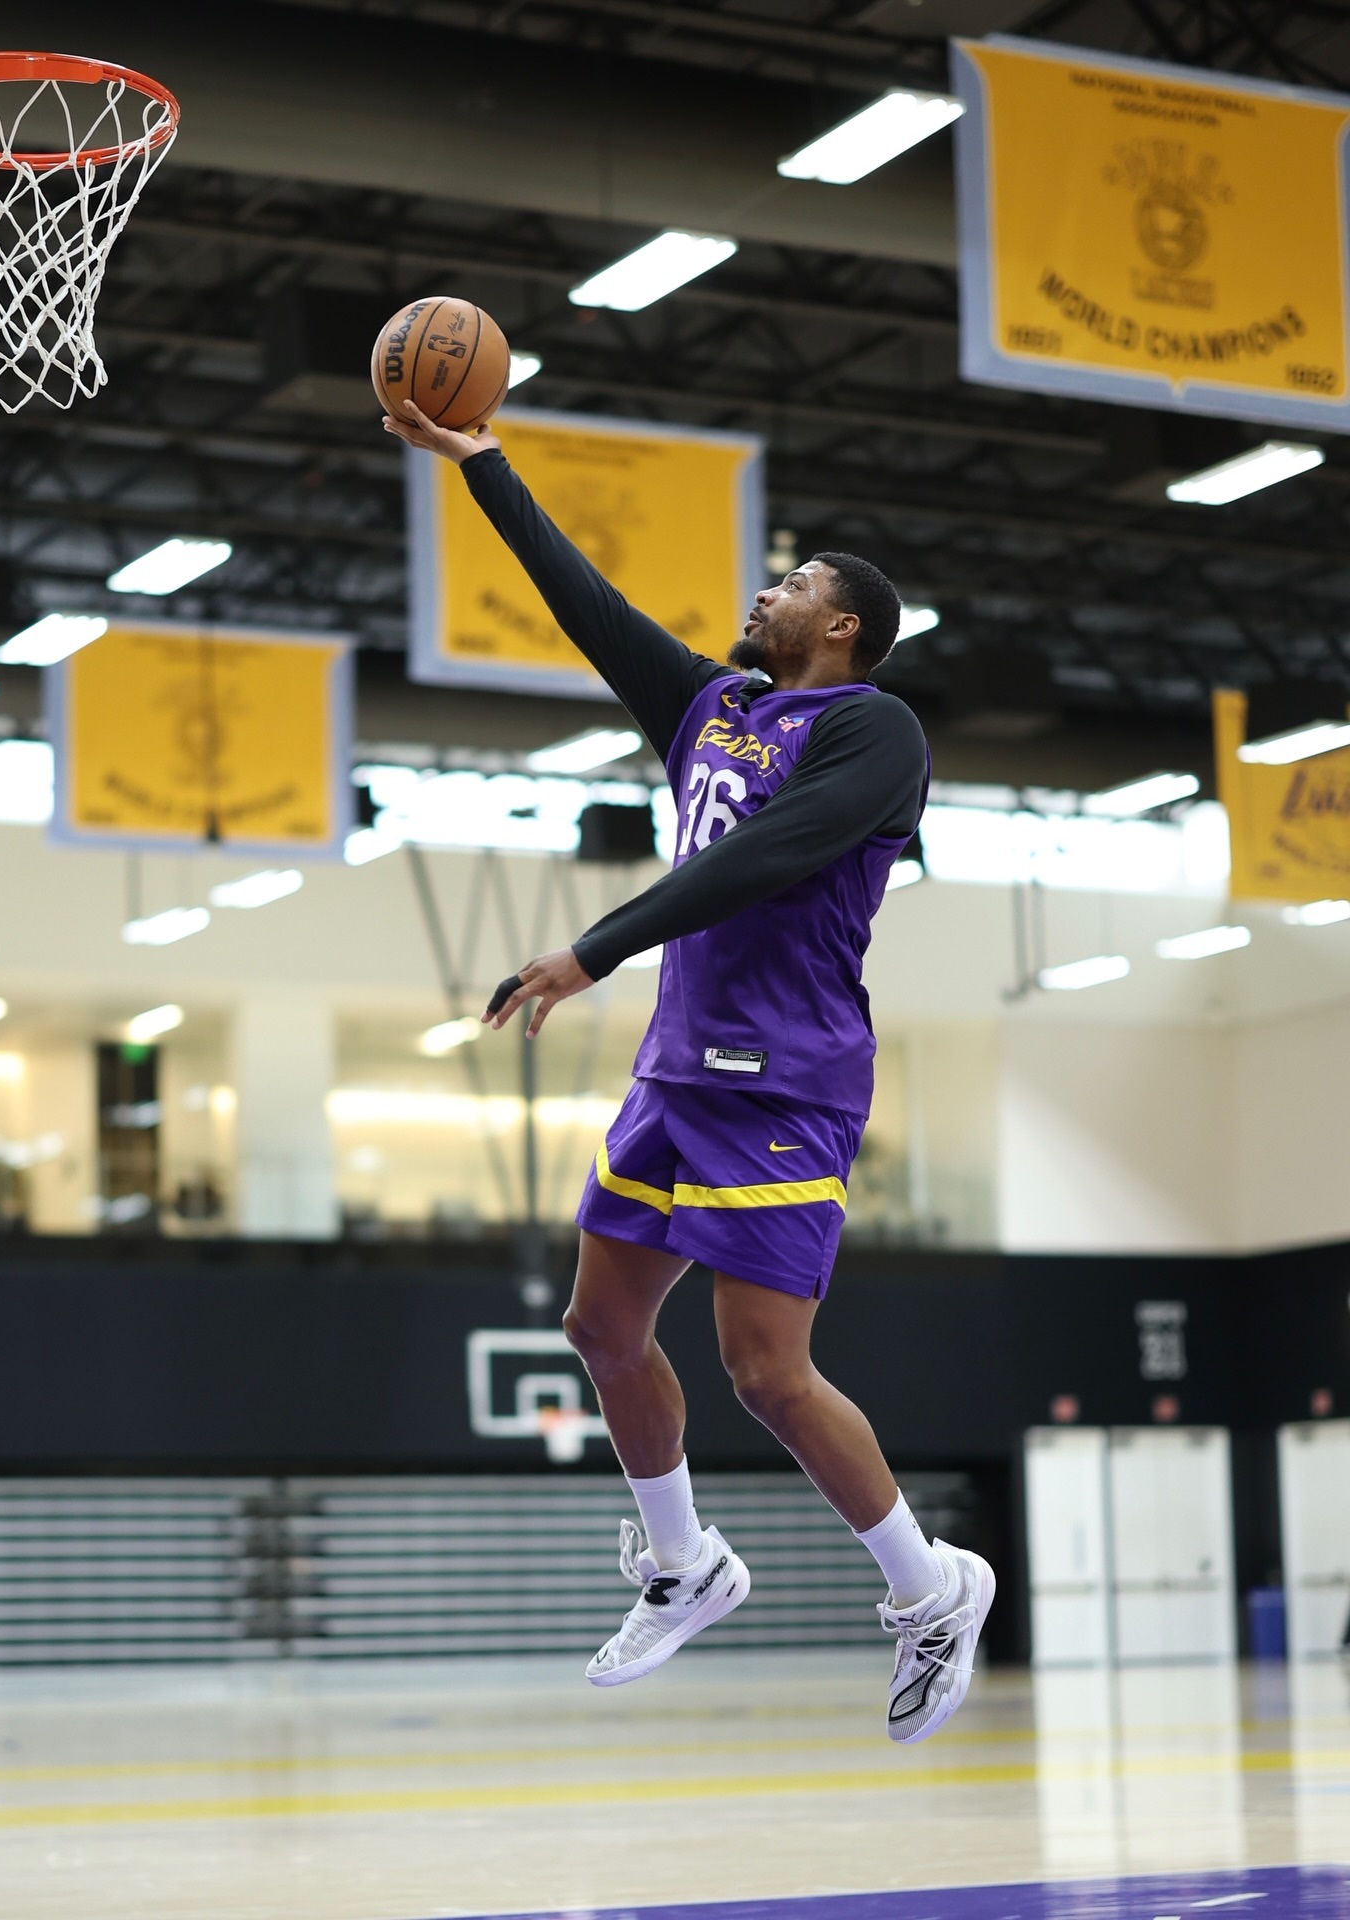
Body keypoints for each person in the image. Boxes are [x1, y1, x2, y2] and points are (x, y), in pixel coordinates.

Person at [383, 401, 994, 1744]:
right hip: (677, 1077)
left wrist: (594, 948)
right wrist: (481, 464)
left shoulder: (875, 732)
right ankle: (685, 1564)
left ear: (841, 626)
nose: (767, 592)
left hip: (786, 1081)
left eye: (795, 582)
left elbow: (762, 859)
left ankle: (931, 1588)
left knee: (766, 1374)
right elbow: (587, 606)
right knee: (601, 1331)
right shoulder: (714, 707)